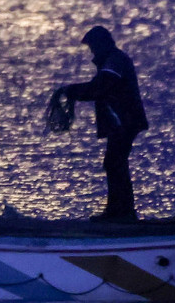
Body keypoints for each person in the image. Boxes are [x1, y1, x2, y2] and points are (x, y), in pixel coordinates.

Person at [51, 26, 149, 219]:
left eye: (93, 47)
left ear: (101, 44)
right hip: (122, 122)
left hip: (124, 122)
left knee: (115, 162)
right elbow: (98, 88)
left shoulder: (114, 62)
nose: (92, 52)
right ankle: (119, 211)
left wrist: (70, 91)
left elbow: (100, 88)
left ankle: (121, 213)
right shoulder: (112, 61)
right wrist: (72, 91)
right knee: (114, 162)